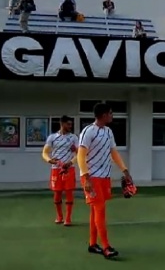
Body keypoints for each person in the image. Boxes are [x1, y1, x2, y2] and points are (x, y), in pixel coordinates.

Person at [77, 103, 133, 259]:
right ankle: (106, 247)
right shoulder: (88, 131)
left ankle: (93, 244)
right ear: (103, 115)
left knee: (96, 210)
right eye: (110, 113)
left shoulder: (108, 132)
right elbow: (81, 156)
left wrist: (125, 170)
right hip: (91, 177)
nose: (112, 115)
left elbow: (113, 152)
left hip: (104, 177)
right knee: (100, 210)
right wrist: (86, 177)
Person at [41, 115, 78, 226]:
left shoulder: (74, 138)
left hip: (69, 169)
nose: (70, 126)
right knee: (57, 193)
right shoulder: (52, 137)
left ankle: (68, 218)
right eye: (68, 124)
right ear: (62, 124)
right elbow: (44, 153)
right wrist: (50, 160)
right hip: (56, 169)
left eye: (71, 124)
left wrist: (70, 162)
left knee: (69, 192)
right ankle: (59, 216)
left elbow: (79, 153)